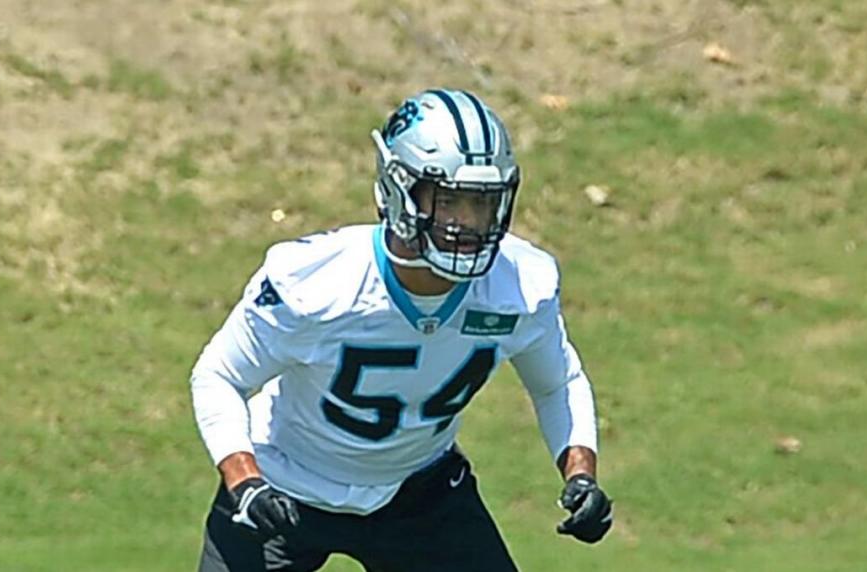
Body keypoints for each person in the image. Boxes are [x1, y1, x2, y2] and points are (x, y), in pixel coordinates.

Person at [190, 88, 613, 572]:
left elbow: (558, 382)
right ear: (399, 190)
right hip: (283, 485)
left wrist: (580, 473)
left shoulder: (518, 285)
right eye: (450, 201)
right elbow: (219, 375)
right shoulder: (317, 283)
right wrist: (246, 482)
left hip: (418, 491)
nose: (468, 224)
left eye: (482, 204)